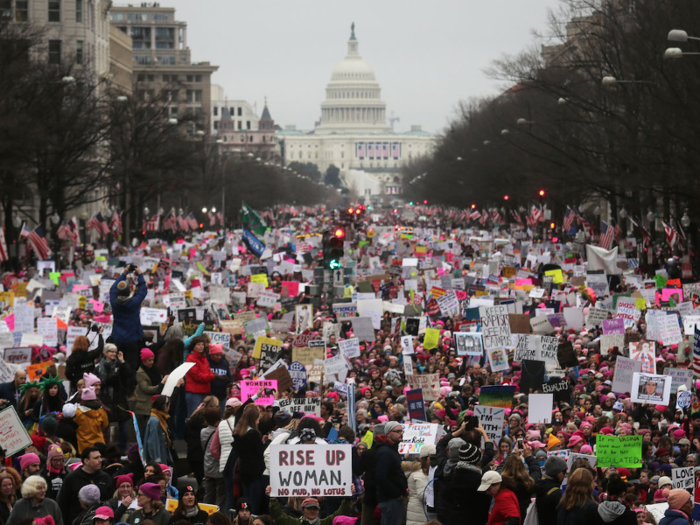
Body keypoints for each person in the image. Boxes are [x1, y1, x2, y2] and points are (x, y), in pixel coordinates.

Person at [56, 446, 113, 525]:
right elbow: (62, 504)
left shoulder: (105, 478)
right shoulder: (72, 478)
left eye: (100, 457)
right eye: (96, 458)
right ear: (86, 461)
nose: (100, 460)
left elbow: (111, 502)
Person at [96, 343, 133, 452]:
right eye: (111, 351)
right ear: (105, 353)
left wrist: (122, 361)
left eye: (115, 352)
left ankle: (122, 449)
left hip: (118, 398)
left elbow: (129, 374)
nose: (113, 354)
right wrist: (110, 380)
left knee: (123, 426)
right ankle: (105, 449)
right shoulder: (99, 367)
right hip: (106, 399)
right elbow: (99, 383)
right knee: (105, 426)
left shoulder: (120, 365)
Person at [110, 265, 148, 371]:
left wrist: (124, 273)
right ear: (128, 292)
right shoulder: (134, 302)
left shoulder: (114, 302)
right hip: (133, 340)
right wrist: (140, 274)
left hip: (118, 339)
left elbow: (113, 288)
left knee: (118, 366)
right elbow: (143, 291)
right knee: (131, 367)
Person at [232, 406, 265, 514]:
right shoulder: (253, 434)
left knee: (246, 501)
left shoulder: (239, 433)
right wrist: (265, 443)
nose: (259, 420)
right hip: (255, 472)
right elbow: (259, 453)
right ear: (253, 419)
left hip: (244, 471)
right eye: (258, 418)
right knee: (254, 502)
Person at [375, 421, 407, 525]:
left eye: (401, 431)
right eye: (397, 431)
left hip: (393, 500)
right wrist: (396, 493)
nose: (401, 434)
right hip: (390, 500)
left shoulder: (391, 450)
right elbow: (381, 477)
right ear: (388, 434)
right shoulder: (386, 452)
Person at [266, 487, 354, 525]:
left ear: (318, 510)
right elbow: (278, 516)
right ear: (303, 510)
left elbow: (340, 513)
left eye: (315, 509)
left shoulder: (325, 523)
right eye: (309, 508)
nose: (312, 511)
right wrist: (273, 499)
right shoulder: (294, 523)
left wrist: (347, 499)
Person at [135, 348, 169, 439]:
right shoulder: (140, 373)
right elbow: (146, 388)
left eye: (153, 360)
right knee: (146, 432)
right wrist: (161, 385)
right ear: (144, 360)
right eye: (149, 360)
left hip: (156, 404)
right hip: (146, 406)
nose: (151, 362)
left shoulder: (155, 369)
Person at [500, 446, 540, 519]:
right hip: (524, 518)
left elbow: (499, 469)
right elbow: (536, 472)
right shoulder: (529, 483)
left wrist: (512, 454)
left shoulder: (501, 483)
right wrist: (528, 457)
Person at [66, 385, 109, 453]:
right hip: (99, 444)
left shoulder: (78, 412)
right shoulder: (101, 411)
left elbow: (74, 426)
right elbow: (105, 425)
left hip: (84, 445)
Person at [184, 337, 216, 416]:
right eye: (198, 345)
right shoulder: (190, 358)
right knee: (194, 417)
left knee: (203, 417)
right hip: (194, 393)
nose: (201, 346)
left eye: (202, 344)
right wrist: (212, 376)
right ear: (193, 346)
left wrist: (211, 375)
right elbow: (197, 376)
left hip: (203, 392)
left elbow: (207, 371)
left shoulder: (203, 358)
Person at [405, 443, 436, 525]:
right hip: (419, 517)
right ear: (428, 459)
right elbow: (423, 495)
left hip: (419, 515)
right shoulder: (420, 474)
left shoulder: (426, 472)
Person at [201, 408, 224, 509]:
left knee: (208, 495)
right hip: (218, 468)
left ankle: (206, 515)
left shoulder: (203, 431)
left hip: (207, 467)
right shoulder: (220, 432)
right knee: (221, 496)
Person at [534, 456, 566, 524]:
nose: (565, 475)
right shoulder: (556, 494)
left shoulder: (540, 485)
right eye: (564, 472)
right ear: (558, 473)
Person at [144, 396, 174, 466]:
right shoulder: (155, 421)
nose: (169, 407)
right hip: (158, 458)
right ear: (165, 406)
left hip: (163, 454)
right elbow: (153, 442)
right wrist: (156, 461)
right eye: (168, 405)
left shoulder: (161, 418)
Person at [207, 344, 232, 410]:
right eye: (216, 355)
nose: (219, 357)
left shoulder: (224, 363)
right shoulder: (206, 362)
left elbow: (229, 377)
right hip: (210, 394)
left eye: (220, 355)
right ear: (211, 355)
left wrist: (229, 382)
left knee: (220, 416)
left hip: (222, 395)